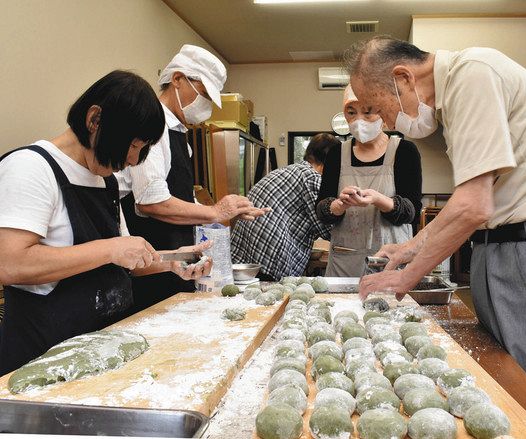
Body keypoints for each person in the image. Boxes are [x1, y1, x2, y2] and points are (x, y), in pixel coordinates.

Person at [349, 36, 526, 419]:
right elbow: (467, 201)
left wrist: (406, 278)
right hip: (503, 249)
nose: (388, 123)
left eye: (378, 107)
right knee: (509, 388)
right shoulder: (460, 90)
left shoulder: (473, 75)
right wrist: (407, 249)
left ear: (403, 78)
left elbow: (474, 205)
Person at [0, 70, 212, 374]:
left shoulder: (107, 182)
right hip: (41, 361)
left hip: (102, 350)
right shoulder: (30, 168)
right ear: (94, 121)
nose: (133, 161)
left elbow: (122, 260)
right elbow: (10, 264)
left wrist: (173, 260)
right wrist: (110, 248)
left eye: (142, 150)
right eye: (133, 145)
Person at [117, 45, 268, 312]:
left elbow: (182, 199)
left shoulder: (180, 136)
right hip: (150, 271)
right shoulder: (154, 126)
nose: (206, 105)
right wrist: (214, 211)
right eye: (204, 95)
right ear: (177, 79)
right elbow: (150, 202)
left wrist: (225, 212)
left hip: (176, 264)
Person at [315, 85, 422, 277]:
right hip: (344, 263)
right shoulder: (336, 154)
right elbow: (322, 210)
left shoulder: (405, 151)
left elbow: (411, 213)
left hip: (389, 263)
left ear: (382, 112)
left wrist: (377, 199)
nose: (358, 120)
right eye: (351, 112)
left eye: (367, 112)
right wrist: (338, 206)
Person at [231, 133, 339, 280]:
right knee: (271, 296)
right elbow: (327, 227)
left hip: (244, 255)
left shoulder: (289, 170)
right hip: (268, 252)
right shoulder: (312, 177)